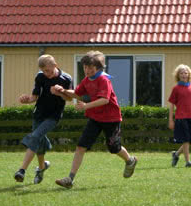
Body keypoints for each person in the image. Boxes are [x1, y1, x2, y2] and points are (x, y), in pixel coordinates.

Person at [51, 50, 138, 189]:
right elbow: (78, 94)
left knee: (114, 148)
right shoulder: (87, 80)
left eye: (90, 67)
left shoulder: (104, 80)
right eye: (85, 67)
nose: (87, 70)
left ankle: (130, 160)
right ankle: (70, 179)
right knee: (81, 146)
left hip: (111, 119)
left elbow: (104, 100)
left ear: (98, 67)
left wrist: (86, 106)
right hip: (95, 118)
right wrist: (63, 91)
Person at [14, 55, 73, 184]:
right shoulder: (40, 77)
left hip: (54, 116)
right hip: (39, 114)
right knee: (39, 142)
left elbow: (69, 98)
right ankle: (41, 168)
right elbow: (34, 97)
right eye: (45, 71)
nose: (47, 74)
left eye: (49, 71)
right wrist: (26, 100)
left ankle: (21, 171)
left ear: (55, 65)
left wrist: (60, 92)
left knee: (35, 136)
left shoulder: (66, 78)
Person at [168, 64, 191, 168]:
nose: (184, 74)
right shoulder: (176, 89)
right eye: (181, 73)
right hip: (180, 117)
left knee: (189, 140)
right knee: (186, 140)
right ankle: (188, 162)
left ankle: (176, 154)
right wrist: (170, 120)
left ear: (189, 75)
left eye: (185, 73)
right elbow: (171, 105)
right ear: (178, 75)